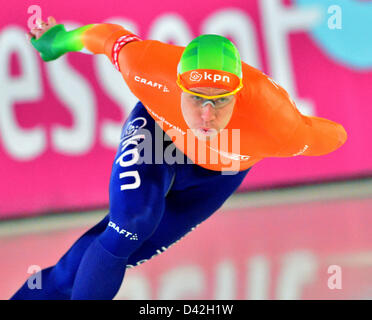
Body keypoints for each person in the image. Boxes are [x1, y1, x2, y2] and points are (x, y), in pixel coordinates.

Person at [11, 16, 347, 300]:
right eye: (196, 97)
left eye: (220, 101)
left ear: (239, 95)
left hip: (217, 175)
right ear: (178, 85)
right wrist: (59, 41)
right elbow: (105, 37)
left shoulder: (277, 123)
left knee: (115, 255)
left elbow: (333, 136)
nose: (206, 114)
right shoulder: (147, 66)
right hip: (158, 136)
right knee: (130, 224)